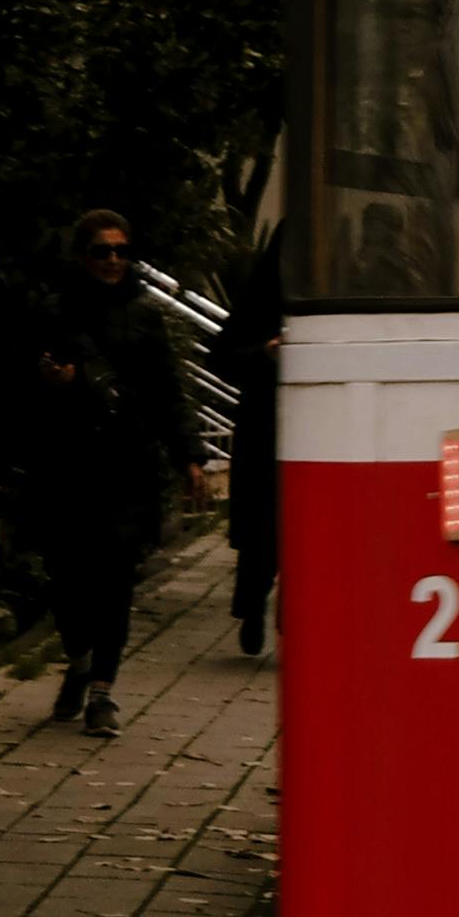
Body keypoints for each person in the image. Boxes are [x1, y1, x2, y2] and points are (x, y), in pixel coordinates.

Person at [30, 210, 205, 737]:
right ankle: (79, 660)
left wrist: (190, 455)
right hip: (67, 463)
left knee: (114, 582)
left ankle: (103, 691)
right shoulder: (54, 312)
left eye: (121, 251)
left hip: (127, 465)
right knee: (65, 577)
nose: (112, 261)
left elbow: (167, 390)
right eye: (103, 251)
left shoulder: (145, 316)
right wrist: (55, 383)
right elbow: (23, 383)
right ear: (83, 255)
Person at [208, 223, 283, 662]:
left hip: (310, 429)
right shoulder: (260, 298)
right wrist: (264, 354)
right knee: (261, 533)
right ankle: (254, 608)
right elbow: (222, 356)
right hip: (263, 427)